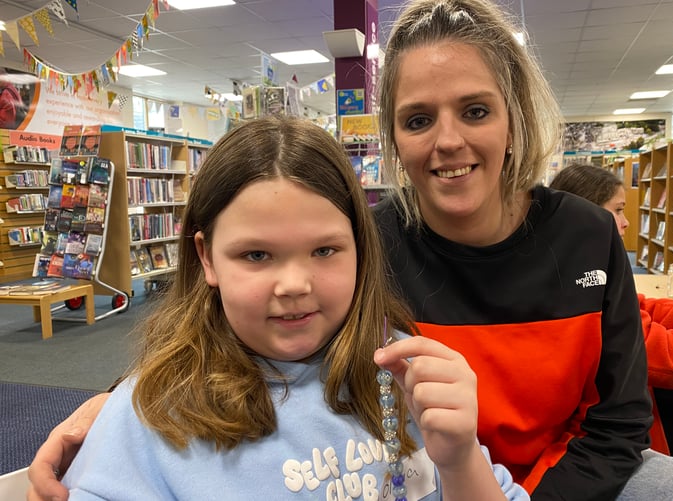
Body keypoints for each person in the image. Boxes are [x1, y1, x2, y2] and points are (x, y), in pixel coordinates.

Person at [26, 1, 673, 500]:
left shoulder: (587, 233)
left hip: (546, 472)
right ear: (394, 139)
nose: (447, 141)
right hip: (424, 468)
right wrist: (114, 405)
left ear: (513, 116)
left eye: (474, 110)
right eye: (416, 118)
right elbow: (246, 321)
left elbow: (621, 417)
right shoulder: (363, 248)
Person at [50, 115, 528, 500]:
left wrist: (460, 459)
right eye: (256, 255)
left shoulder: (409, 373)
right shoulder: (149, 420)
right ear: (206, 258)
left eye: (325, 251)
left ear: (360, 249)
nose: (295, 285)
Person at [550, 162, 673, 490]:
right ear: (586, 213)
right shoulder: (572, 278)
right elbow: (662, 354)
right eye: (617, 210)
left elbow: (645, 308)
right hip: (609, 428)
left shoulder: (584, 260)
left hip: (627, 406)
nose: (627, 223)